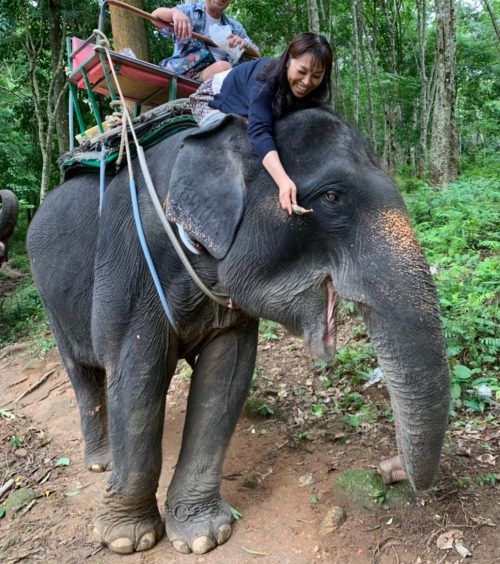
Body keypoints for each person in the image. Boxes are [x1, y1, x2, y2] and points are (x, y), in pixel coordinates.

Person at [190, 32, 333, 214]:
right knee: (235, 144)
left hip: (247, 107)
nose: (306, 82)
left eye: (316, 76)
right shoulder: (265, 78)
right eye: (302, 71)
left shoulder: (311, 90)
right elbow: (259, 132)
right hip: (213, 98)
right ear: (288, 60)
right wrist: (283, 181)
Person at [152, 1, 259, 82]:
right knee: (224, 68)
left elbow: (257, 55)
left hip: (223, 80)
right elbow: (154, 17)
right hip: (187, 75)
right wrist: (173, 13)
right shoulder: (190, 12)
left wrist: (245, 44)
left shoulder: (235, 27)